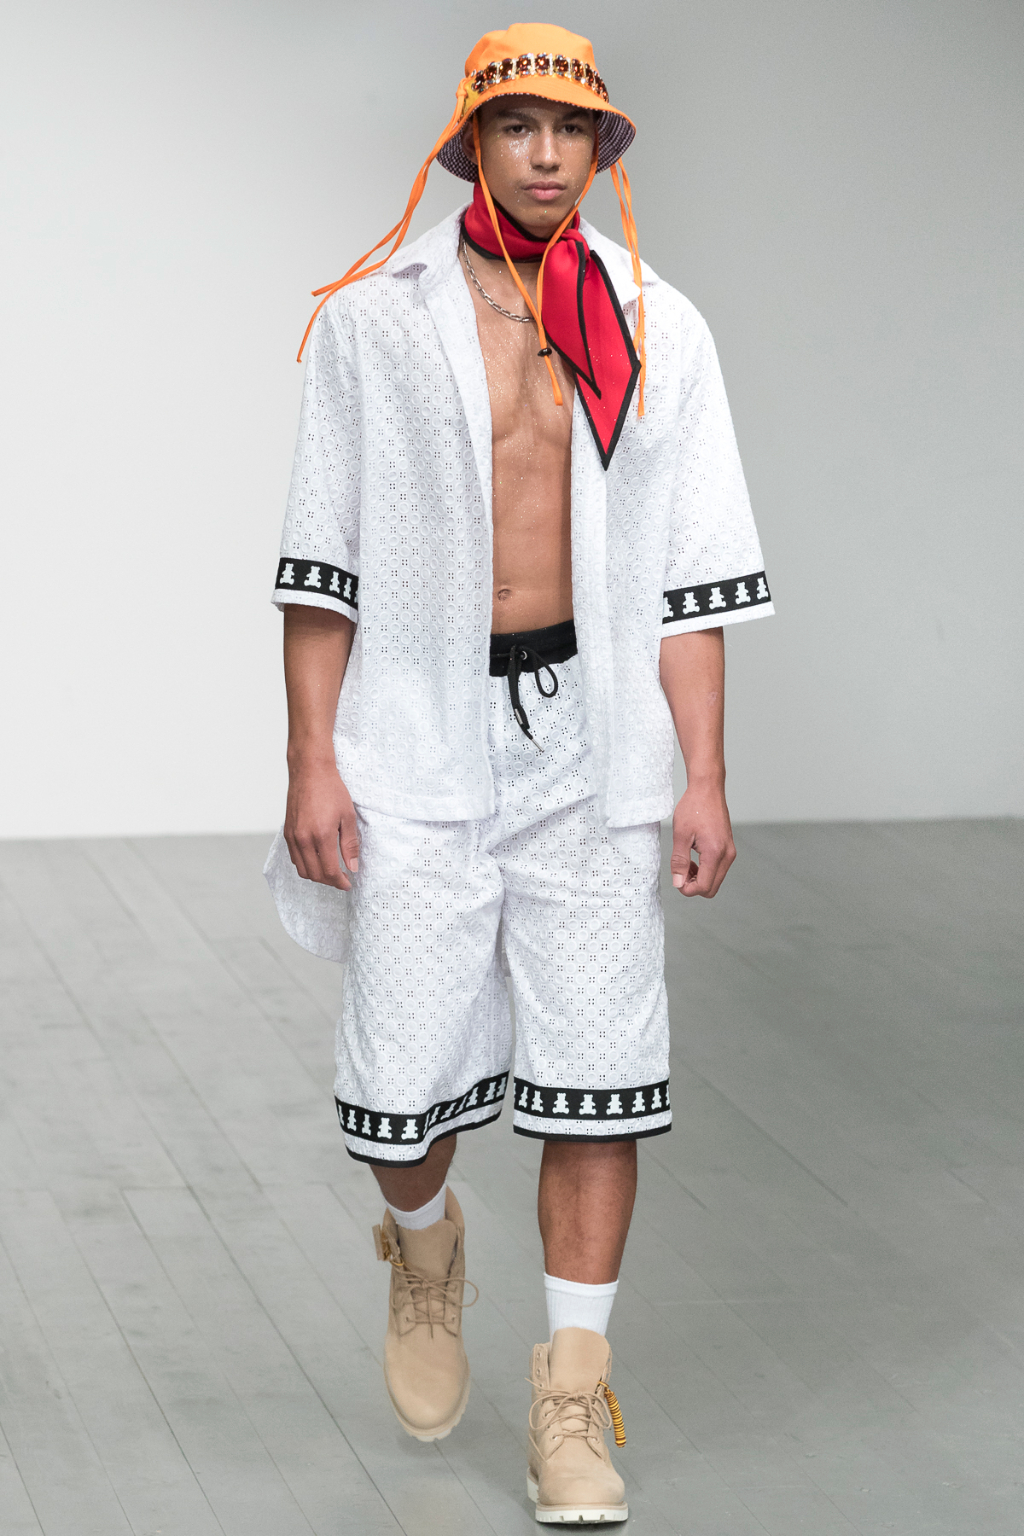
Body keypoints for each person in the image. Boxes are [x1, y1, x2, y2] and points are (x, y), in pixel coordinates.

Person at [264, 22, 773, 1524]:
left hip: (594, 742)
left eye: (572, 129)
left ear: (604, 150)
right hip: (416, 735)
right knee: (397, 1094)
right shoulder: (374, 318)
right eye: (516, 127)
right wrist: (310, 761)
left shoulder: (657, 325)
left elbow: (688, 581)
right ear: (469, 146)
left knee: (597, 1081)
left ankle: (568, 1398)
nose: (546, 154)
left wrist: (704, 774)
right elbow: (322, 565)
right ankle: (425, 1248)